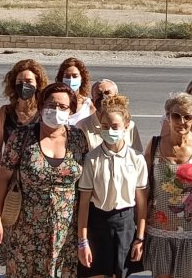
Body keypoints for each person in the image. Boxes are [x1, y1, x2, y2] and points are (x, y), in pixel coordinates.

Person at [0, 81, 90, 277]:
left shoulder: (78, 139)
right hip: (25, 232)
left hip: (65, 234)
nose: (56, 110)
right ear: (41, 106)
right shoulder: (22, 138)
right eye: (51, 105)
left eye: (62, 106)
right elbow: (2, 178)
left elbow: (85, 187)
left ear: (71, 111)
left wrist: (83, 237)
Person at [143, 92, 192, 278]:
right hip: (159, 230)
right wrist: (141, 228)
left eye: (187, 117)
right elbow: (145, 189)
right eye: (176, 115)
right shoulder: (154, 145)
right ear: (168, 116)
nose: (181, 121)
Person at [76, 94, 148, 278]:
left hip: (125, 223)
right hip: (98, 223)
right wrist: (83, 241)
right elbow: (84, 203)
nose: (110, 131)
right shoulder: (92, 159)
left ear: (126, 126)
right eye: (105, 127)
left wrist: (140, 237)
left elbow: (141, 202)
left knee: (120, 273)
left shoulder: (137, 159)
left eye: (115, 127)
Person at [0, 58, 48, 170]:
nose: (24, 85)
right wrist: (1, 173)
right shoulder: (5, 112)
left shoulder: (44, 112)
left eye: (28, 81)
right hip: (11, 178)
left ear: (37, 83)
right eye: (20, 82)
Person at [76, 79, 145, 152]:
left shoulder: (130, 126)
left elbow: (137, 154)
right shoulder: (82, 126)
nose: (103, 97)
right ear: (93, 101)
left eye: (107, 93)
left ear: (116, 97)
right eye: (99, 94)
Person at [58, 57, 96, 125]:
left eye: (75, 76)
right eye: (67, 76)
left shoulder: (87, 105)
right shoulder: (55, 102)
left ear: (81, 78)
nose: (70, 79)